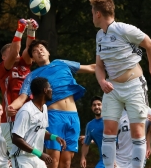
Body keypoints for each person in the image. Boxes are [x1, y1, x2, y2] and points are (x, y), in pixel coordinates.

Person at [89, 0, 151, 167]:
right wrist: (102, 82)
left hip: (134, 86)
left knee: (137, 132)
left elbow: (150, 45)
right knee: (108, 131)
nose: (91, 16)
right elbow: (99, 66)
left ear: (98, 14)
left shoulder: (124, 29)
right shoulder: (100, 35)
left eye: (92, 13)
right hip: (112, 89)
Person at [8, 39, 95, 168]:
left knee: (66, 162)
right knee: (53, 161)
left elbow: (91, 67)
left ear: (48, 52)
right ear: (33, 58)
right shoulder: (32, 76)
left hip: (73, 117)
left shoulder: (61, 63)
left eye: (42, 48)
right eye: (35, 51)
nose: (39, 51)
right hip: (54, 116)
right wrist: (11, 107)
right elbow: (22, 98)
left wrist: (113, 61)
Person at [0, 18, 38, 152]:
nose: (17, 54)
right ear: (4, 57)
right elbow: (14, 53)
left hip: (30, 115)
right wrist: (20, 30)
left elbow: (29, 50)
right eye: (13, 51)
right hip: (12, 118)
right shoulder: (2, 68)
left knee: (32, 156)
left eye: (19, 51)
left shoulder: (25, 65)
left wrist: (31, 31)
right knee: (17, 156)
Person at [10, 77, 66, 168]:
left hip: (36, 158)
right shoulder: (26, 111)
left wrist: (54, 137)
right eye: (50, 88)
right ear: (45, 90)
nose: (52, 90)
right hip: (22, 158)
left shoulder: (44, 108)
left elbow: (40, 130)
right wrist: (40, 154)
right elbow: (16, 139)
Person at [80, 96, 104, 168]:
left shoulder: (111, 119)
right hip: (103, 160)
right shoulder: (90, 125)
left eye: (99, 104)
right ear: (91, 108)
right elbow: (86, 144)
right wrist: (83, 157)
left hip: (120, 158)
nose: (96, 107)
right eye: (94, 105)